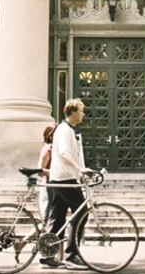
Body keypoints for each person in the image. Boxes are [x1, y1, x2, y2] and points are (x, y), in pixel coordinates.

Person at [42, 98, 91, 270]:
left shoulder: (67, 130)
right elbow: (64, 153)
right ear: (73, 112)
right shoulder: (64, 130)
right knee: (82, 212)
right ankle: (72, 254)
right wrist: (80, 169)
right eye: (81, 111)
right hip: (64, 178)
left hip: (60, 177)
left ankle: (48, 255)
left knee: (57, 217)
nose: (83, 114)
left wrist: (79, 174)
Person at [37, 123, 55, 223]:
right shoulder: (47, 150)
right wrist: (56, 172)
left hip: (53, 186)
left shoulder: (53, 149)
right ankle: (25, 239)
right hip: (48, 188)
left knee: (49, 220)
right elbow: (40, 170)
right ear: (50, 136)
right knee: (45, 221)